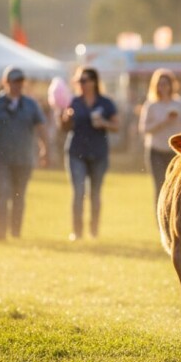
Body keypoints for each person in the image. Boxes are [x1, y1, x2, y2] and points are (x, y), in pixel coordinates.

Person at [0, 67, 49, 240]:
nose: (17, 85)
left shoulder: (31, 105)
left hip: (23, 157)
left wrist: (44, 148)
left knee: (19, 195)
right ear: (5, 82)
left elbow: (41, 128)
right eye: (14, 81)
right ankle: (1, 230)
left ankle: (15, 231)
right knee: (2, 192)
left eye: (20, 81)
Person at [59, 66, 119, 241]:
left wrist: (104, 124)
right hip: (76, 152)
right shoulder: (74, 102)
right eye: (79, 81)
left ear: (94, 82)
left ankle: (94, 230)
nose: (82, 84)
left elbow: (117, 126)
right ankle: (77, 232)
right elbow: (64, 128)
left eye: (84, 80)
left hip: (98, 153)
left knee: (95, 194)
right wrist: (65, 117)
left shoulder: (106, 103)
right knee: (78, 192)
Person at [138, 68, 181, 203]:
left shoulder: (180, 104)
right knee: (160, 186)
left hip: (177, 152)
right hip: (156, 151)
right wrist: (163, 122)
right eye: (160, 84)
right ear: (155, 86)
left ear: (172, 85)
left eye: (166, 83)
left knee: (179, 186)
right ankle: (160, 219)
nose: (163, 87)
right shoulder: (151, 105)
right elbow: (144, 129)